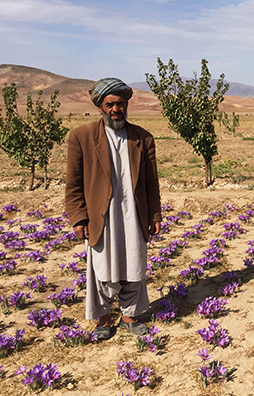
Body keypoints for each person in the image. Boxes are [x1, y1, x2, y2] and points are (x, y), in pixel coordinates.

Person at [65, 78, 162, 340]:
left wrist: (155, 215)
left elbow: (151, 182)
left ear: (127, 104)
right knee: (102, 267)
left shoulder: (143, 137)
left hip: (134, 211)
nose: (115, 109)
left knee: (134, 262)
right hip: (101, 215)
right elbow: (73, 184)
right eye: (110, 104)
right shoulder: (81, 136)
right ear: (100, 107)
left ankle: (130, 315)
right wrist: (78, 218)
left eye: (120, 103)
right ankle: (104, 319)